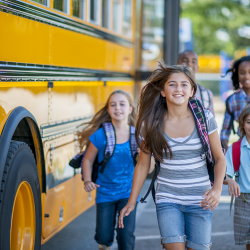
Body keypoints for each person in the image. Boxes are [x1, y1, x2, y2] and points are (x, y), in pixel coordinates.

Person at [118, 64, 226, 250]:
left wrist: (216, 189)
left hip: (201, 199)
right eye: (172, 84)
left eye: (184, 85)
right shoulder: (150, 123)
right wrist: (132, 201)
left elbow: (219, 158)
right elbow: (143, 165)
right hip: (168, 199)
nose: (178, 89)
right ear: (162, 91)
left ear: (192, 91)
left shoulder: (205, 118)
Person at [80, 90, 139, 250]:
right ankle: (104, 245)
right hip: (105, 193)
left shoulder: (138, 136)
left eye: (122, 104)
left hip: (128, 194)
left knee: (125, 237)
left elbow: (148, 169)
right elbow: (88, 159)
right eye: (112, 104)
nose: (117, 108)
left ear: (130, 109)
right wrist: (87, 180)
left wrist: (145, 156)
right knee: (104, 236)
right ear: (108, 110)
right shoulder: (100, 135)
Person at [223, 104, 250, 249]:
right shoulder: (235, 148)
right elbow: (224, 174)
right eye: (248, 122)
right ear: (242, 124)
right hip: (244, 200)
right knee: (248, 241)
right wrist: (231, 180)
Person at [221, 56, 250, 151]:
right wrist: (227, 152)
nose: (246, 76)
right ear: (237, 75)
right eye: (242, 73)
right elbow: (224, 133)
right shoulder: (232, 100)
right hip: (242, 150)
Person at [177, 50, 215, 116]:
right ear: (177, 65)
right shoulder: (169, 91)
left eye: (193, 61)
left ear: (197, 67)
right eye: (185, 61)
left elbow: (211, 123)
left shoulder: (207, 95)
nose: (189, 64)